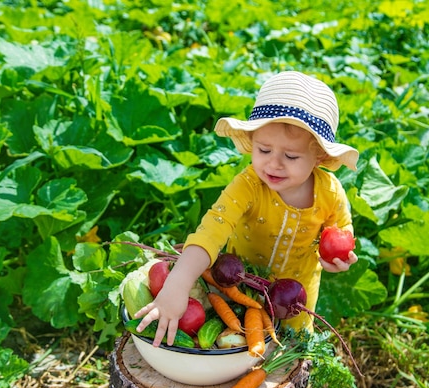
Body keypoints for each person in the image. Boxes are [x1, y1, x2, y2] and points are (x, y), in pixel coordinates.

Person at [135, 71, 359, 347]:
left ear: (320, 157)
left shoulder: (331, 193)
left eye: (290, 156)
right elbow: (211, 232)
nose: (273, 164)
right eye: (263, 150)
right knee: (240, 344)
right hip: (239, 291)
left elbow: (342, 231)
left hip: (295, 303)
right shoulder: (248, 185)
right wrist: (178, 283)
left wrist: (338, 258)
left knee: (294, 355)